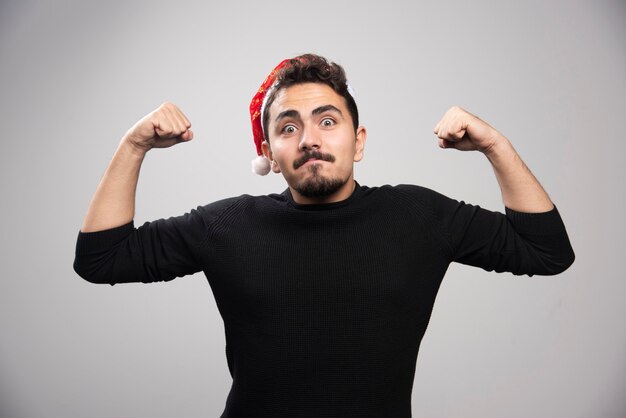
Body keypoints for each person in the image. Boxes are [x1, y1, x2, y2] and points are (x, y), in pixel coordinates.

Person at [74, 54, 574, 417]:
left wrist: (496, 146)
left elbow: (546, 250)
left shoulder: (419, 214)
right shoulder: (226, 225)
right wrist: (133, 144)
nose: (310, 138)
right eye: (288, 128)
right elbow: (101, 259)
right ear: (268, 153)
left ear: (358, 143)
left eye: (327, 121)